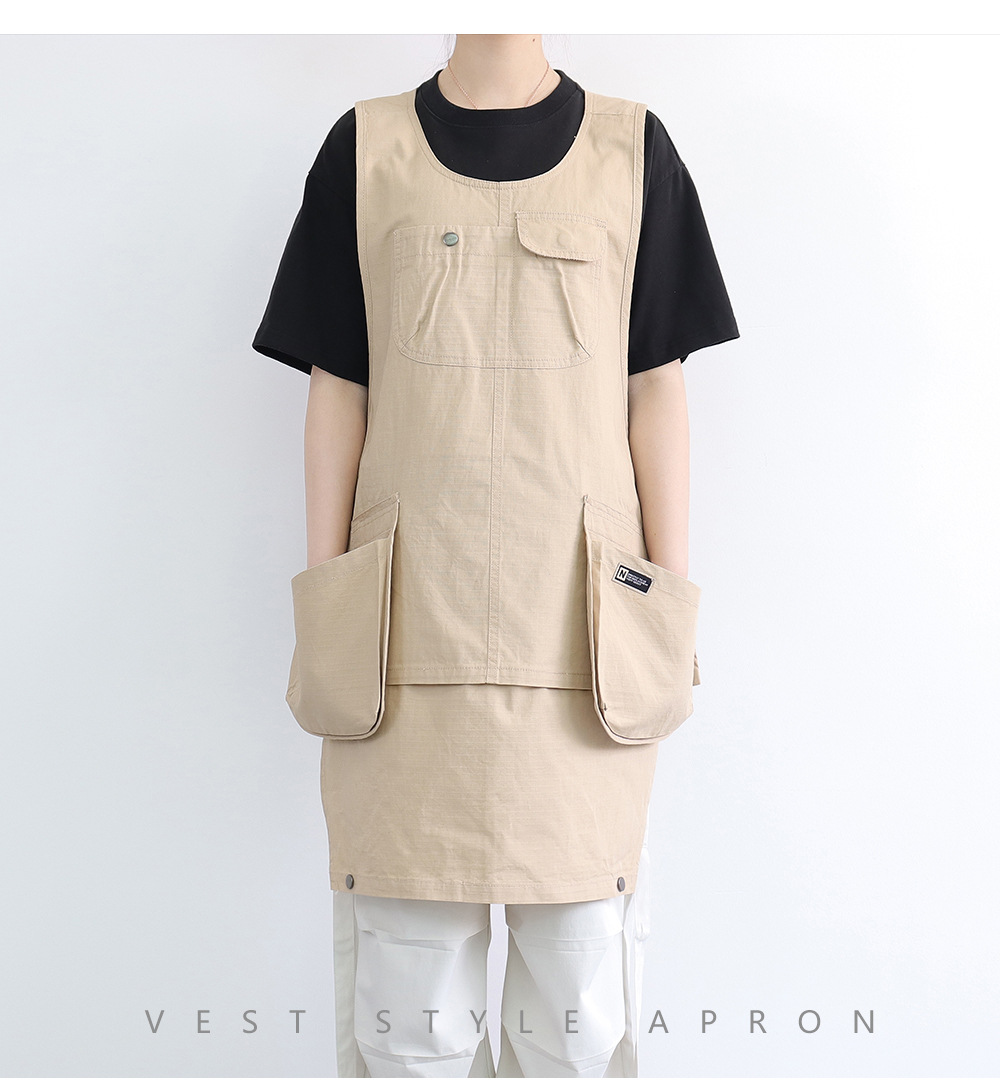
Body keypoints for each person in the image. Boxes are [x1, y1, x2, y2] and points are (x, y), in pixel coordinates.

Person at [253, 34, 739, 1078]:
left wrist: (665, 607)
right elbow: (337, 387)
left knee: (575, 1020)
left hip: (581, 660)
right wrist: (330, 602)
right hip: (404, 654)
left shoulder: (633, 152)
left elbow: (656, 387)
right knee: (408, 1021)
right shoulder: (365, 151)